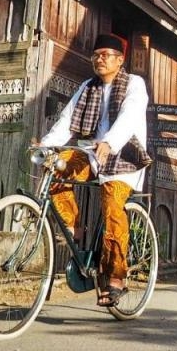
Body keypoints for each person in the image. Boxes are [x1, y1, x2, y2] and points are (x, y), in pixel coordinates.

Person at [37, 32, 151, 307]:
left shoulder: (135, 84)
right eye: (96, 55)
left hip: (123, 158)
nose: (99, 60)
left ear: (120, 60)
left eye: (105, 56)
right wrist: (47, 145)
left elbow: (130, 115)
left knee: (112, 209)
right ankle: (73, 226)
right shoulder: (88, 86)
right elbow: (67, 119)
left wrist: (110, 142)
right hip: (91, 154)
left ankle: (115, 278)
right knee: (56, 166)